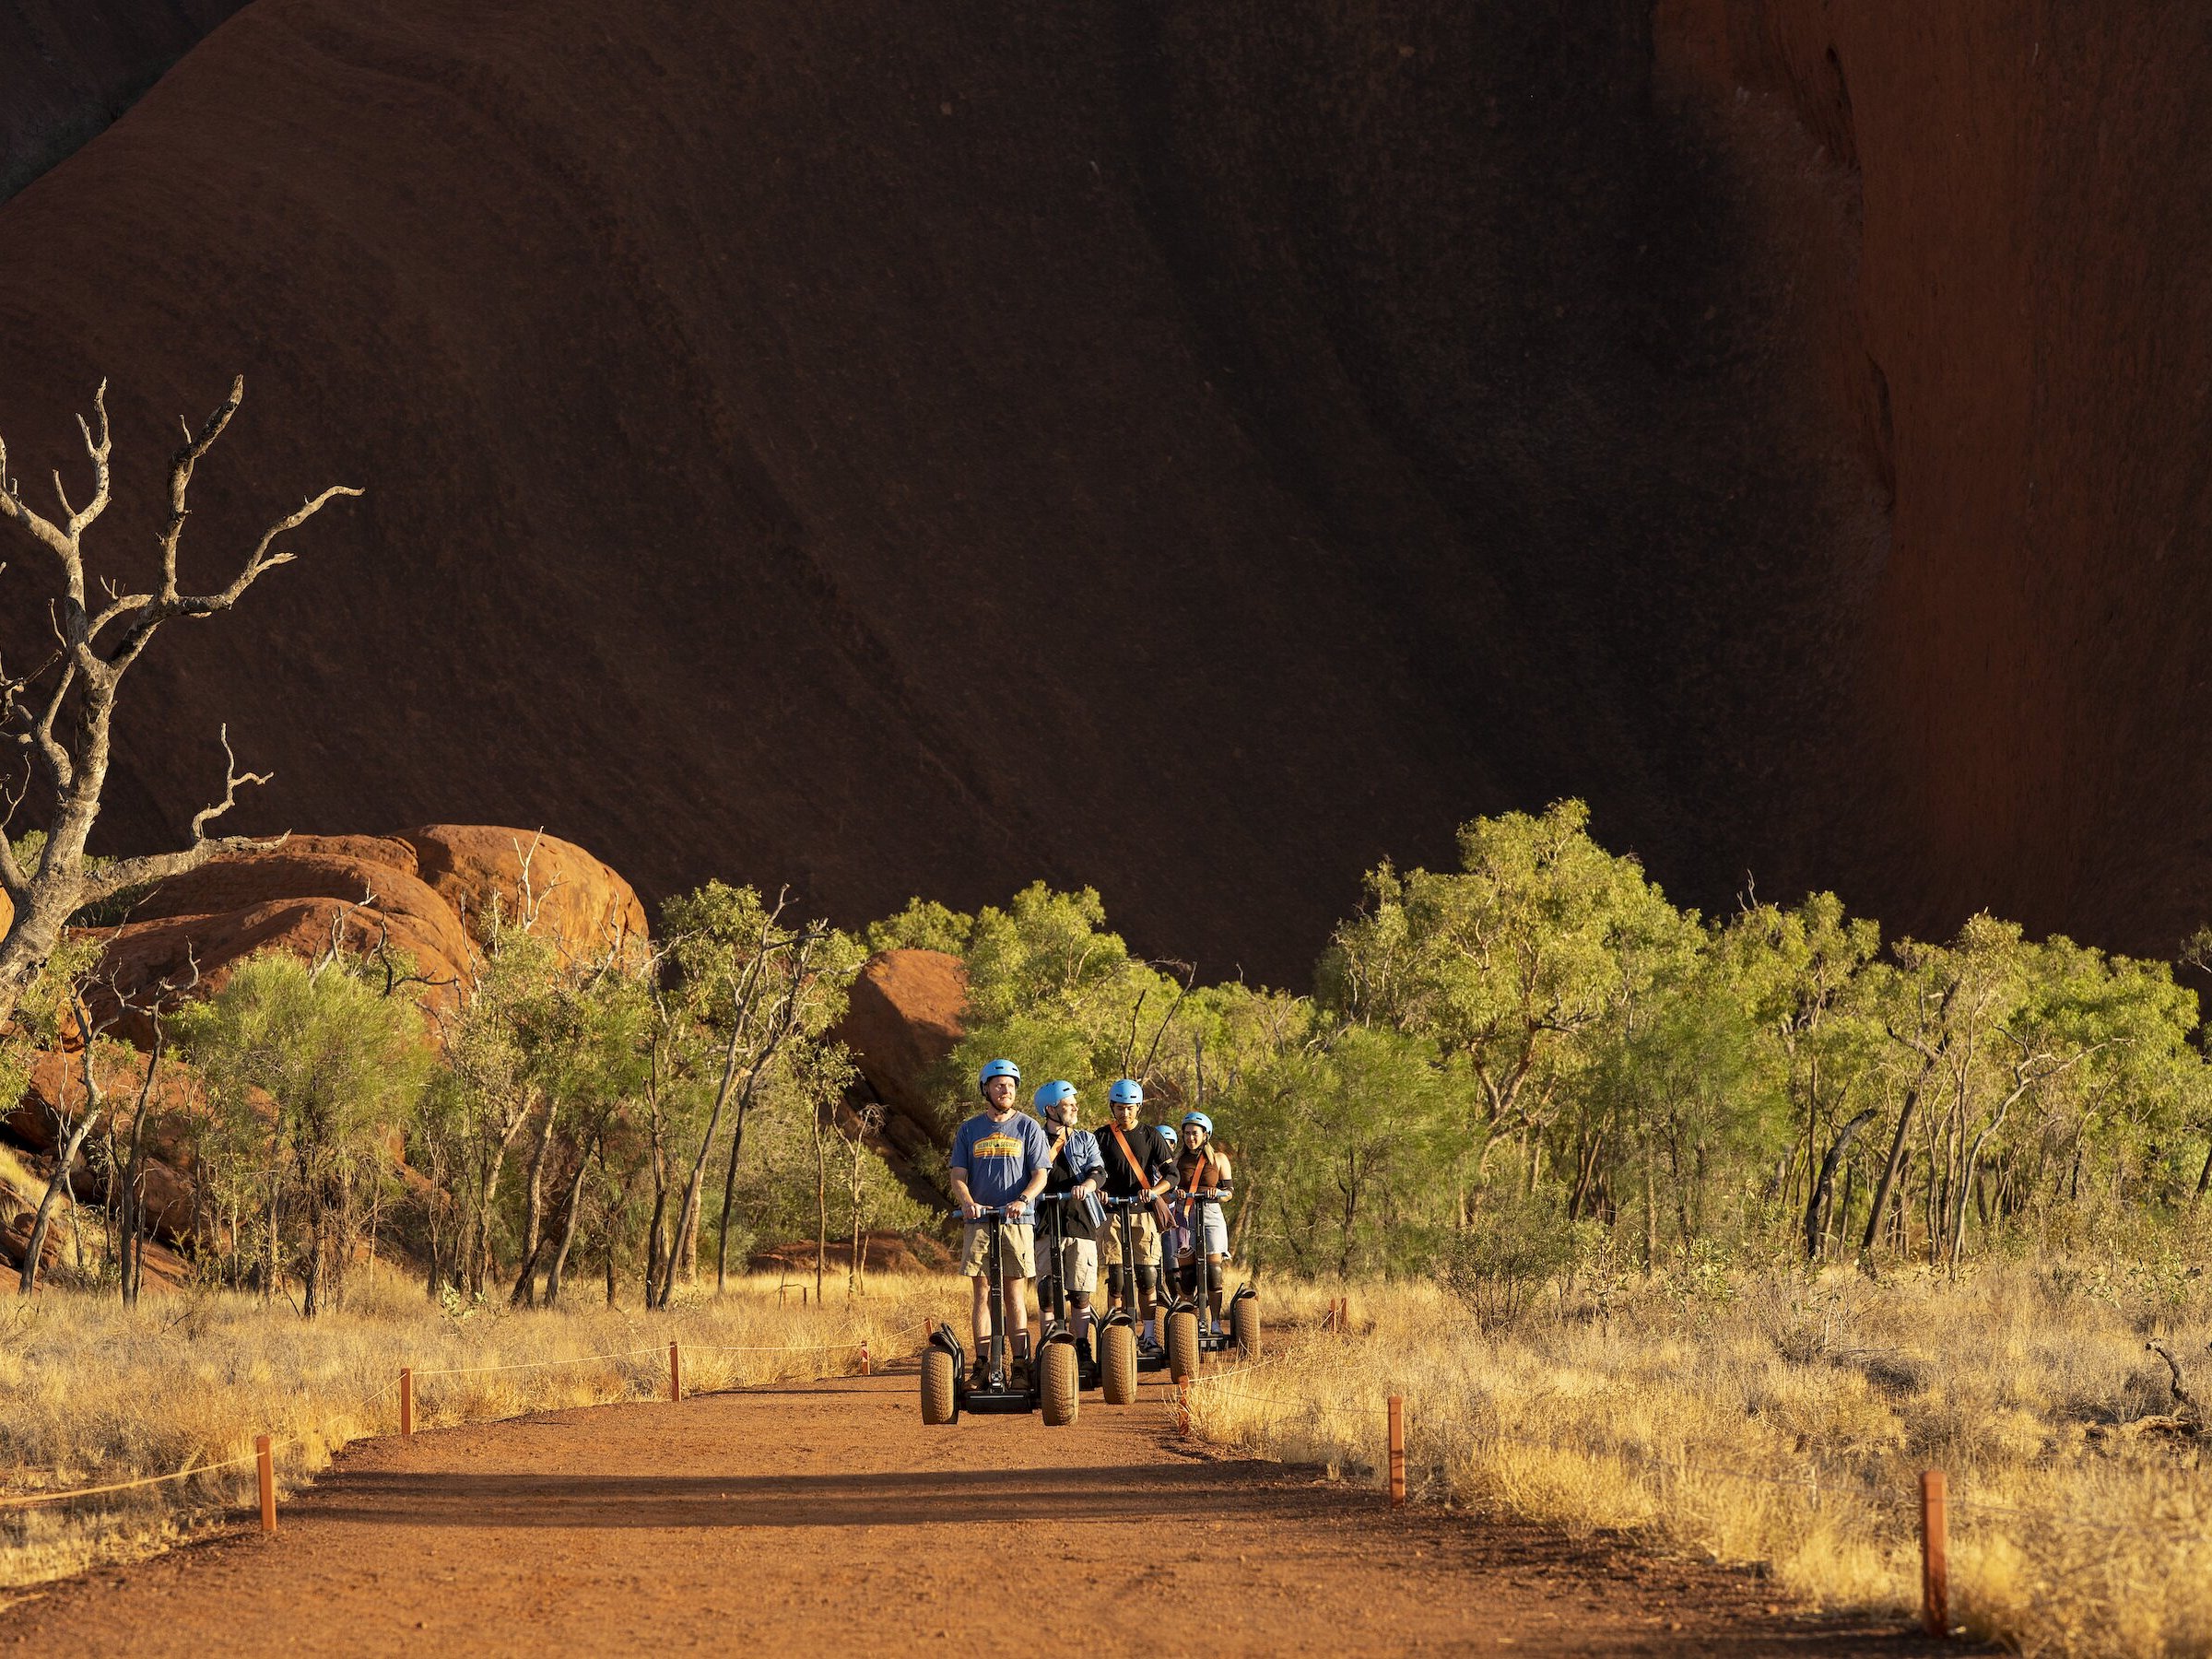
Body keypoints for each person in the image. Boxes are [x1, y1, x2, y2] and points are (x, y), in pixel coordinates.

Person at [947, 1058, 1052, 1386]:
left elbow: (1040, 1175)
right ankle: (982, 1366)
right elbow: (957, 1175)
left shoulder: (1029, 1128)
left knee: (1013, 1294)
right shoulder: (969, 1129)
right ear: (986, 1089)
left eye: (1010, 1085)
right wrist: (967, 1202)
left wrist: (1022, 1200)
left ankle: (1019, 1365)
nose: (1006, 1090)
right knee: (981, 1292)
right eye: (999, 1085)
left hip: (1017, 1222)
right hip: (979, 1221)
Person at [1092, 1078, 1176, 1352]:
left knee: (1147, 1277)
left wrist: (1154, 1191)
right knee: (1116, 1278)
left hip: (1143, 1215)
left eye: (1129, 1108)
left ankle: (1149, 1335)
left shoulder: (1151, 1135)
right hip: (1112, 1214)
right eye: (1119, 1108)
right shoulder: (1101, 1136)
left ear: (1138, 1107)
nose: (1124, 1113)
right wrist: (1098, 1190)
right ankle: (1117, 1337)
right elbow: (1090, 1173)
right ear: (1112, 1107)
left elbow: (1172, 1175)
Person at [1031, 1080, 1105, 1359]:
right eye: (1067, 1104)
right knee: (1047, 1291)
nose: (1075, 1107)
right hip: (1044, 1223)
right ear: (1050, 1109)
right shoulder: (1033, 1138)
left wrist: (1088, 1184)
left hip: (1080, 1222)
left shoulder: (1085, 1139)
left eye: (1074, 1102)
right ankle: (1049, 1346)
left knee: (1080, 1291)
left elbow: (1098, 1170)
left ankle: (1083, 1347)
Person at [1173, 1112, 1236, 1335]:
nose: (1191, 1137)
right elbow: (1167, 1189)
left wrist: (1217, 1192)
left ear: (1205, 1135)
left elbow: (1229, 1193)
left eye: (1195, 1133)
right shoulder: (1177, 1160)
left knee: (1213, 1271)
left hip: (1210, 1214)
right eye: (1187, 1133)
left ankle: (1215, 1321)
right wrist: (1176, 1193)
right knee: (1188, 1274)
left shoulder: (1218, 1159)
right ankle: (1190, 1323)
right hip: (1183, 1214)